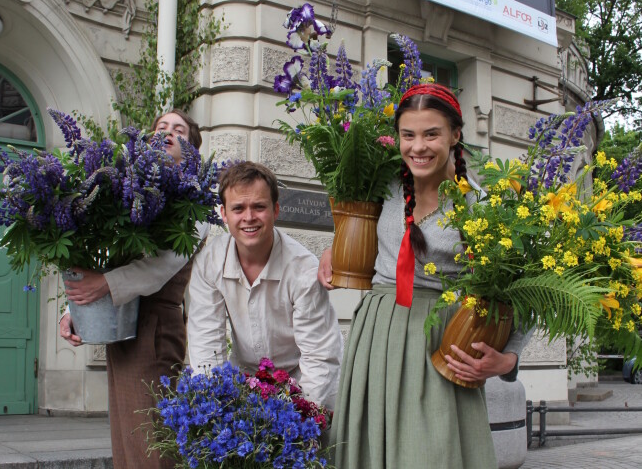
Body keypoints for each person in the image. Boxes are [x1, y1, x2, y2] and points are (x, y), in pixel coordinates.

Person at [318, 84, 532, 468]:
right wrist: (334, 248)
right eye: (408, 134)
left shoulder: (480, 206)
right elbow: (356, 224)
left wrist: (507, 360)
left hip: (439, 342)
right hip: (377, 335)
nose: (418, 146)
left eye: (431, 134)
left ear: (455, 135)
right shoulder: (383, 185)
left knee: (431, 455)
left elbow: (524, 291)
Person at [60, 109, 208, 469]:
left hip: (155, 327)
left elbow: (159, 269)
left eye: (180, 130)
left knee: (152, 440)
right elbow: (107, 256)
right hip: (118, 324)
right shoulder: (130, 191)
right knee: (127, 439)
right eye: (161, 127)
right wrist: (72, 310)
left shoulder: (198, 205)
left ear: (193, 148)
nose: (169, 133)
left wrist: (102, 286)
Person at [187, 161, 343, 409]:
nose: (249, 217)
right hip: (243, 380)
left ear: (276, 210)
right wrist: (212, 409)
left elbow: (318, 357)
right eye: (238, 208)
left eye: (259, 207)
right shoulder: (209, 263)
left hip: (304, 378)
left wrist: (303, 417)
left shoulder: (302, 268)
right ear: (224, 213)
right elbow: (206, 346)